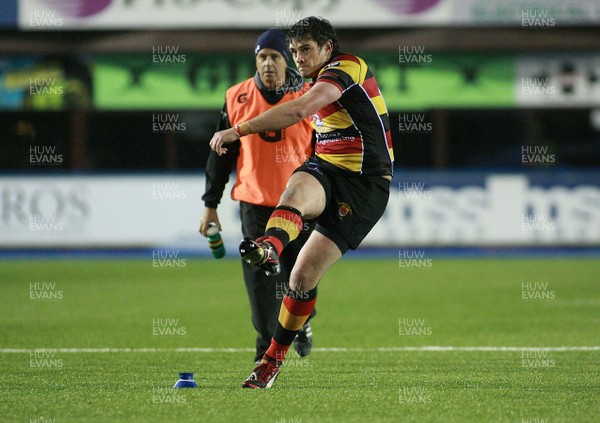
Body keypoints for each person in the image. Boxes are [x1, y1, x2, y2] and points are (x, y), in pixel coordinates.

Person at [209, 17, 394, 389]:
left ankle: (274, 357)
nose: (298, 57)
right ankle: (269, 246)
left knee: (301, 278)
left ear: (328, 47)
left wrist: (238, 128)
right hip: (326, 166)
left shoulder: (347, 67)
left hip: (365, 184)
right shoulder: (311, 78)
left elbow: (297, 110)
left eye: (304, 49)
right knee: (293, 193)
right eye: (294, 51)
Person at [199, 28, 317, 364]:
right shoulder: (236, 96)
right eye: (262, 56)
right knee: (262, 284)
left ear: (287, 61)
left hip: (299, 206)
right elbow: (220, 156)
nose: (267, 63)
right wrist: (210, 207)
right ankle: (266, 353)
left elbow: (322, 154)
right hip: (254, 205)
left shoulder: (308, 97)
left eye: (275, 56)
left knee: (302, 276)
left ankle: (304, 322)